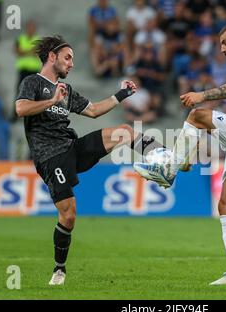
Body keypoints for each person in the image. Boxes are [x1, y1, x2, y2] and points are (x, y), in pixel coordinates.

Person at [134, 22, 226, 285]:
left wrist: (201, 95)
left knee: (197, 114)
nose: (222, 50)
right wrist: (188, 157)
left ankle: (168, 169)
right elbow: (216, 127)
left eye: (225, 43)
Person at [15, 35, 163, 286]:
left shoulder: (67, 90)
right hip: (50, 157)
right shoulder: (33, 82)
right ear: (52, 57)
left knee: (124, 132)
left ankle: (164, 156)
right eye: (68, 57)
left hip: (72, 147)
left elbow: (93, 110)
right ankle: (59, 269)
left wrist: (121, 94)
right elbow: (20, 109)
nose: (72, 64)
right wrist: (51, 101)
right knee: (69, 216)